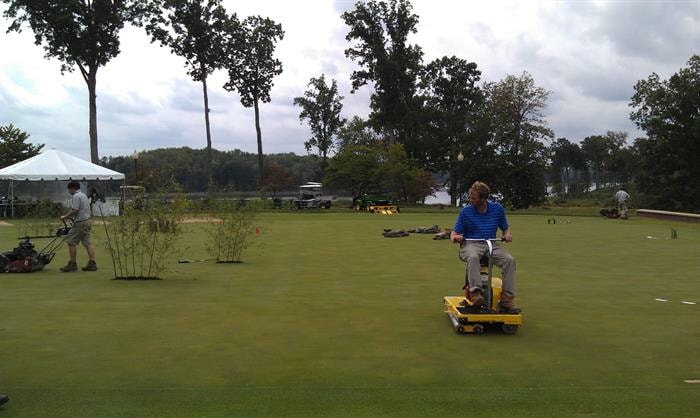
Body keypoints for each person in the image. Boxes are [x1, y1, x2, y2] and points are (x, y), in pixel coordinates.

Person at [450, 181, 519, 313]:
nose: (471, 200)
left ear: (483, 198)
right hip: (471, 244)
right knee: (473, 256)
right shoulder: (466, 211)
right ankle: (476, 293)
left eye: (473, 198)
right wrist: (455, 237)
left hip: (491, 244)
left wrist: (507, 235)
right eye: (470, 197)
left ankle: (507, 300)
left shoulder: (497, 209)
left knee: (509, 260)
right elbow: (455, 232)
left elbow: (505, 228)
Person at [59, 181, 97, 272]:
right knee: (87, 243)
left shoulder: (76, 196)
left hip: (80, 222)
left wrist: (65, 217)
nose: (69, 191)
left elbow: (74, 210)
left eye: (69, 189)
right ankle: (92, 263)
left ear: (72, 188)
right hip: (87, 221)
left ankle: (72, 264)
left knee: (71, 241)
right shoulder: (83, 195)